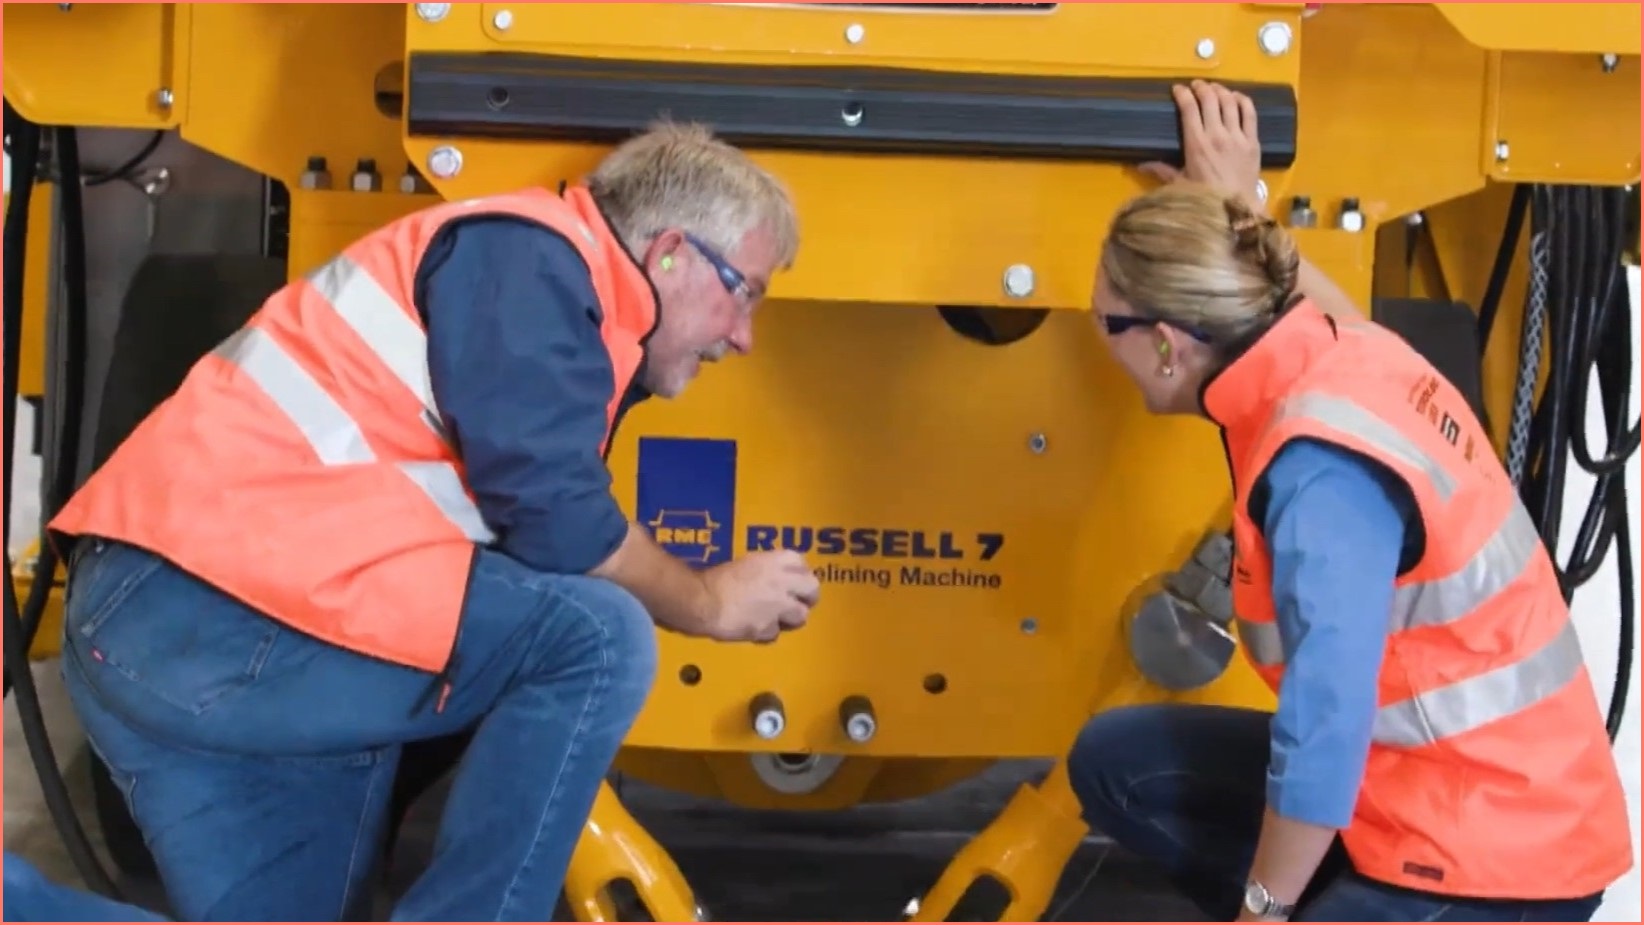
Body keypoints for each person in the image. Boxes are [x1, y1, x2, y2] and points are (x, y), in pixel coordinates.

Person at [46, 120, 824, 921]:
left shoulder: (555, 308)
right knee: (599, 635)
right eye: (745, 291)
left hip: (199, 630)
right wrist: (708, 601)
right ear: (669, 255)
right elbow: (557, 518)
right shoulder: (530, 256)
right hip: (212, 605)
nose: (744, 334)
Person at [1067, 81, 1634, 922]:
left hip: (1489, 851)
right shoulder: (1326, 351)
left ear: (1163, 346)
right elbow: (1292, 297)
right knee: (1118, 761)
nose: (1096, 332)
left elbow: (1324, 735)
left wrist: (1260, 908)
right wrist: (1234, 204)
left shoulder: (1321, 478)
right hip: (1433, 778)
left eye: (1103, 322)